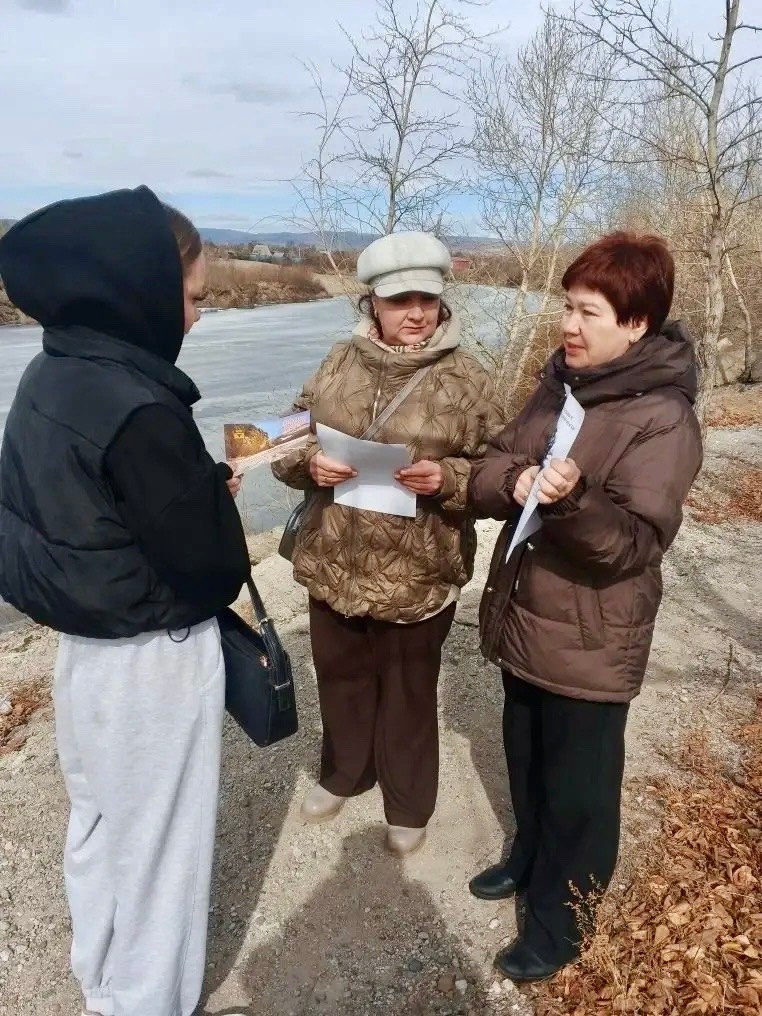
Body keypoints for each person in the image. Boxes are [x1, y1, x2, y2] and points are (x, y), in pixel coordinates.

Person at [0, 187, 251, 1016]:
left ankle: (100, 976)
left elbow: (78, 510)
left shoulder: (52, 370)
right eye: (194, 297)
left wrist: (192, 488)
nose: (199, 317)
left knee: (100, 821)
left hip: (85, 646)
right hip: (152, 657)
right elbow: (212, 568)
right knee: (161, 851)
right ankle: (146, 1003)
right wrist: (212, 498)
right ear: (141, 287)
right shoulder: (141, 407)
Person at [467, 232, 703, 982]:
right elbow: (495, 459)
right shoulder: (560, 384)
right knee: (528, 757)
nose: (568, 325)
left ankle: (563, 920)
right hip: (526, 614)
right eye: (566, 306)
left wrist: (571, 500)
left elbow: (633, 544)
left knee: (580, 790)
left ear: (635, 324)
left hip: (593, 634)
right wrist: (515, 481)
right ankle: (530, 857)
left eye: (587, 312)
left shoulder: (663, 418)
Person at [272, 232, 504, 856]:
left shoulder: (467, 378)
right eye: (401, 300)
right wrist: (308, 463)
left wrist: (449, 479)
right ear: (372, 302)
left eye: (427, 299)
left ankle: (408, 803)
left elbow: (502, 471)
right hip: (335, 558)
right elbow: (285, 434)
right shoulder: (338, 362)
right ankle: (346, 773)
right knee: (340, 677)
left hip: (418, 568)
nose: (417, 313)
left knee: (408, 692)